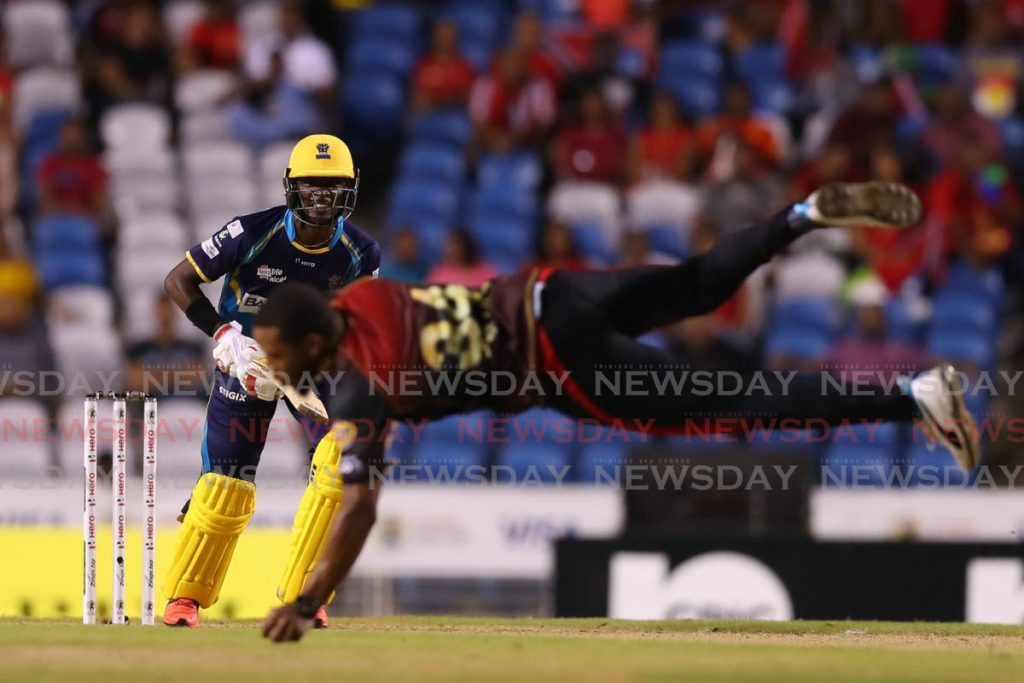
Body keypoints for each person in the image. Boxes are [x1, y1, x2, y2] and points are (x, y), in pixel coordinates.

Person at [254, 182, 979, 642]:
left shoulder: (359, 387)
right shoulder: (359, 297)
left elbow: (358, 508)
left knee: (727, 407)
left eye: (280, 352)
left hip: (559, 360)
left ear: (317, 339)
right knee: (695, 285)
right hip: (553, 292)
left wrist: (308, 597)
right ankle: (801, 214)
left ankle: (911, 397)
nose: (275, 363)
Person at [159, 134, 380, 629]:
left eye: (333, 186)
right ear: (291, 187)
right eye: (310, 184)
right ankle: (184, 599)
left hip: (316, 362)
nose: (321, 196)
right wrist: (223, 334)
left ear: (350, 190)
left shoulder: (361, 250)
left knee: (341, 466)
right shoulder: (251, 232)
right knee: (225, 483)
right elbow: (178, 281)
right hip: (248, 359)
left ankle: (309, 594)